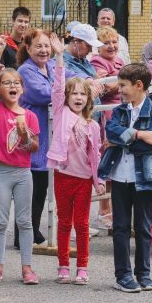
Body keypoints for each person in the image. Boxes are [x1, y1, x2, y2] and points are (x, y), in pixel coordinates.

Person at [98, 63, 152, 293]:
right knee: (121, 227)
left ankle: (143, 273)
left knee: (144, 227)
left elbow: (151, 148)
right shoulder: (119, 110)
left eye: (123, 85)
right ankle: (123, 275)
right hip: (120, 177)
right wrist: (138, 134)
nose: (120, 89)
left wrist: (121, 141)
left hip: (144, 178)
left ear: (138, 86)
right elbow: (111, 131)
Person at [0, 35, 40, 284]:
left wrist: (24, 134)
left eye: (16, 82)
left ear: (22, 88)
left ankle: (27, 268)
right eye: (7, 83)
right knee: (0, 222)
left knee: (25, 221)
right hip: (1, 172)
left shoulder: (29, 116)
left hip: (23, 173)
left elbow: (34, 147)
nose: (12, 86)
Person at [47, 50, 105, 284]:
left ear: (88, 99)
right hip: (63, 175)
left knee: (82, 225)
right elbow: (58, 87)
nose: (78, 97)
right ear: (67, 97)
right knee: (64, 223)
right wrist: (59, 58)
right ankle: (63, 266)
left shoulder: (91, 125)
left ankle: (82, 267)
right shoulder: (61, 114)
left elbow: (96, 156)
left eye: (83, 94)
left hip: (83, 180)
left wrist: (98, 180)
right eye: (74, 93)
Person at [17, 29, 72, 246]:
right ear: (28, 48)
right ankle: (25, 231)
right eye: (38, 46)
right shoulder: (25, 70)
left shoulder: (51, 65)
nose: (44, 50)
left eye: (47, 46)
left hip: (48, 134)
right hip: (33, 133)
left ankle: (33, 228)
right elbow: (44, 95)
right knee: (32, 187)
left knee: (41, 186)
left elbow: (72, 79)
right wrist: (63, 89)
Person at [89, 26, 125, 230]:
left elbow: (118, 83)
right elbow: (106, 86)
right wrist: (122, 81)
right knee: (107, 159)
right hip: (108, 115)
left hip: (120, 112)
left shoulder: (119, 61)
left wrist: (118, 81)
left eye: (114, 42)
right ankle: (103, 210)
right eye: (106, 43)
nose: (111, 46)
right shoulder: (97, 62)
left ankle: (112, 208)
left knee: (118, 160)